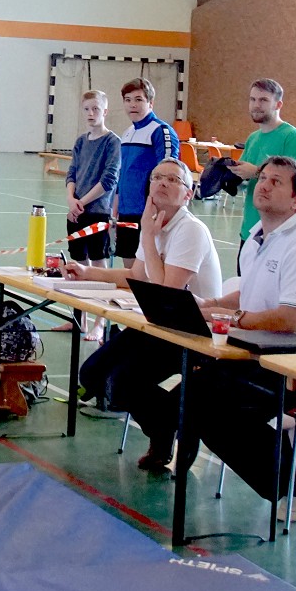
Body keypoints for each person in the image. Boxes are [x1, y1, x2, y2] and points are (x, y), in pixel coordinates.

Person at [191, 157, 296, 509]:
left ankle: (293, 488)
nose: (264, 185)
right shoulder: (259, 236)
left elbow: (289, 318)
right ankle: (286, 449)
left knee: (211, 407)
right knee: (193, 397)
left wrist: (232, 318)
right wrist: (209, 304)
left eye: (276, 182)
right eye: (263, 178)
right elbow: (249, 291)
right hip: (254, 352)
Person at [72, 160, 221, 472]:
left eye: (173, 179)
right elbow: (136, 276)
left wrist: (149, 238)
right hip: (157, 325)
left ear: (188, 193)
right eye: (157, 177)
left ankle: (172, 428)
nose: (162, 183)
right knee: (93, 374)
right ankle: (171, 422)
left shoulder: (190, 230)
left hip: (191, 334)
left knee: (122, 381)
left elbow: (167, 290)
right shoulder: (153, 224)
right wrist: (87, 273)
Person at [228, 79, 296, 260]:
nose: (256, 105)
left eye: (263, 100)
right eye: (253, 99)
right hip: (250, 230)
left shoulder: (293, 138)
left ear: (278, 104)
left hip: (279, 234)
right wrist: (229, 177)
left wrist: (256, 172)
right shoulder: (253, 138)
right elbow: (246, 181)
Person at [114, 78, 179, 265]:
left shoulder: (161, 131)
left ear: (150, 103)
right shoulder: (127, 133)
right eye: (127, 100)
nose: (132, 105)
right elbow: (122, 175)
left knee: (149, 269)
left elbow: (170, 173)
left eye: (138, 100)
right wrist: (116, 206)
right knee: (129, 267)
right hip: (126, 212)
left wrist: (156, 209)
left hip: (148, 213)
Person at [65, 89, 120, 266]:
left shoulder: (112, 142)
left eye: (95, 109)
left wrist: (81, 203)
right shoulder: (80, 141)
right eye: (87, 109)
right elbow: (72, 173)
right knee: (79, 260)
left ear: (105, 111)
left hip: (98, 212)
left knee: (98, 261)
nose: (91, 113)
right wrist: (71, 200)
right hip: (76, 212)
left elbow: (109, 180)